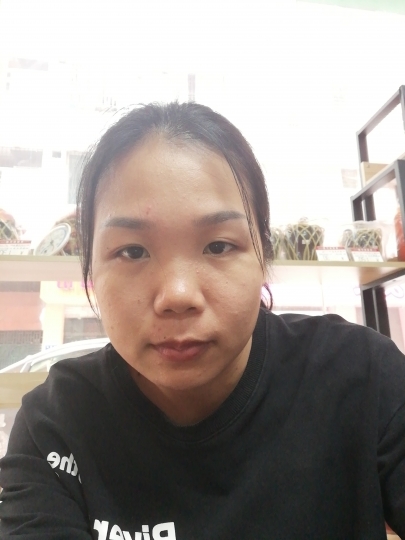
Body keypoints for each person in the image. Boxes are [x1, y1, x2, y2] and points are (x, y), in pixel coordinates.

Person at [0, 102, 404, 540]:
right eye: (132, 251)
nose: (178, 295)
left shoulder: (362, 376)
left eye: (218, 246)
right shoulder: (55, 426)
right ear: (91, 271)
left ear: (263, 256)